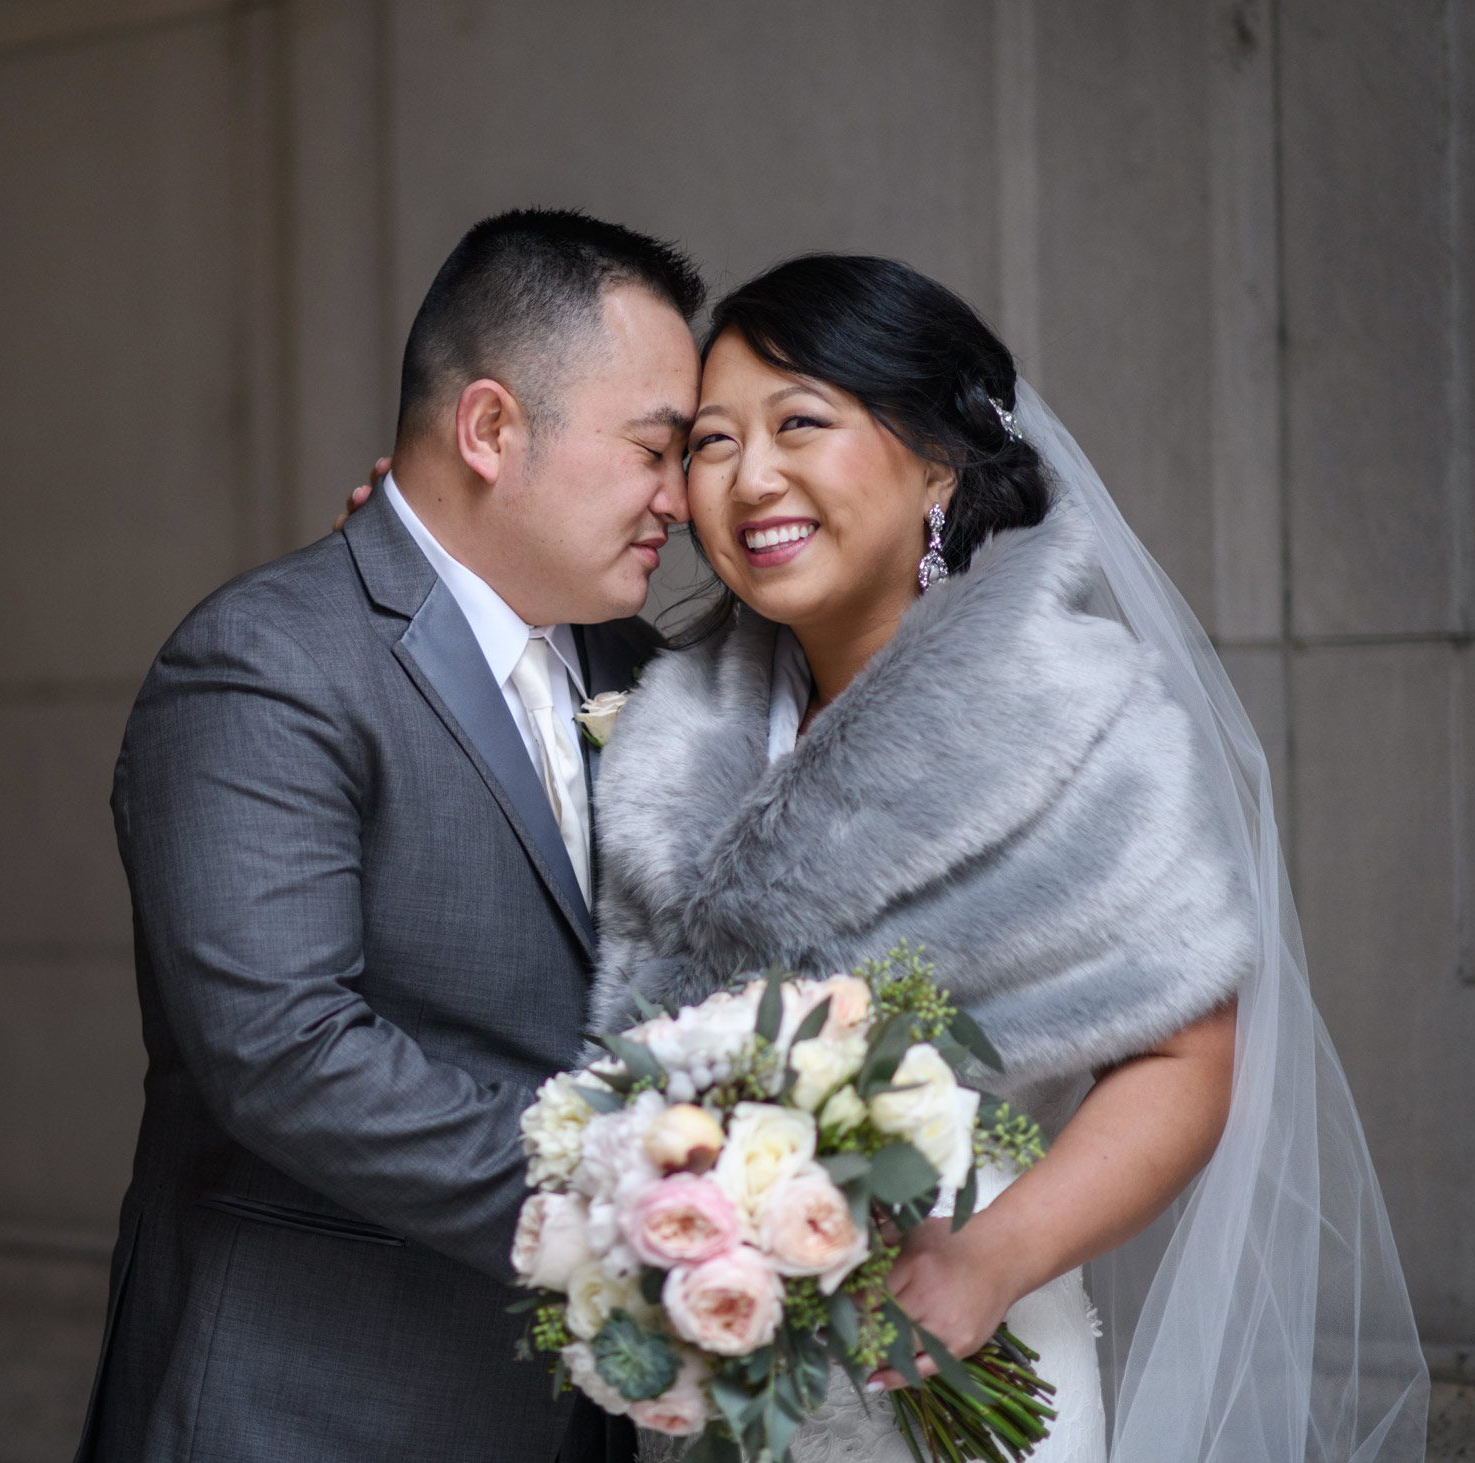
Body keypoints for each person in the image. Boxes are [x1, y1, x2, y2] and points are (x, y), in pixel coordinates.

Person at [578, 253, 1428, 1461]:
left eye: (800, 423)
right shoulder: (668, 716)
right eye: (711, 442)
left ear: (937, 460)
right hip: (706, 1392)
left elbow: (1186, 1053)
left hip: (964, 1368)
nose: (750, 476)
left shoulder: (1078, 717)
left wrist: (988, 1258)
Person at [71, 207, 702, 1463]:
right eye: (653, 450)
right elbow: (283, 1047)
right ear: (487, 429)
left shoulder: (651, 675)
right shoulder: (268, 662)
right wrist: (631, 1213)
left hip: (584, 1420)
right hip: (313, 1407)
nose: (679, 500)